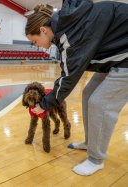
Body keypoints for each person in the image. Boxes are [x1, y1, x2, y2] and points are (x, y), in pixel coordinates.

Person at [25, 0, 128, 176]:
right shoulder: (67, 27)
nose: (37, 46)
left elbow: (68, 78)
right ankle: (91, 142)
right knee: (88, 94)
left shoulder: (70, 33)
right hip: (116, 57)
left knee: (99, 104)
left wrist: (43, 105)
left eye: (35, 41)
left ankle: (96, 160)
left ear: (43, 30)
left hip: (124, 59)